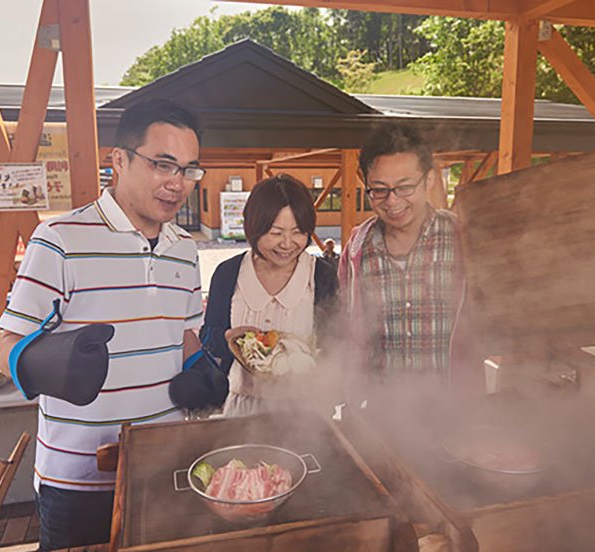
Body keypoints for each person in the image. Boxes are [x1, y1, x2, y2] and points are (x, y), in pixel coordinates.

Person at [0, 100, 205, 551]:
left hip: (162, 466)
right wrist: (42, 364)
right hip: (77, 481)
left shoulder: (185, 248)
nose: (177, 182)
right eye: (163, 164)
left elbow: (186, 332)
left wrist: (200, 365)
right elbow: (6, 342)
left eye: (189, 170)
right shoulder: (60, 240)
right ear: (119, 159)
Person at [338, 123, 480, 391]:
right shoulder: (357, 249)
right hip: (381, 411)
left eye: (404, 187)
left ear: (428, 180)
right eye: (379, 189)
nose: (392, 201)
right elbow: (346, 330)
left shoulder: (462, 238)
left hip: (457, 408)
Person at [193, 174, 338, 417]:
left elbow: (335, 344)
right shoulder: (229, 274)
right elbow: (209, 336)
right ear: (252, 226)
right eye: (276, 232)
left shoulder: (321, 276)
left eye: (298, 232)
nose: (287, 243)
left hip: (306, 413)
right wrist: (228, 338)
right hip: (242, 408)